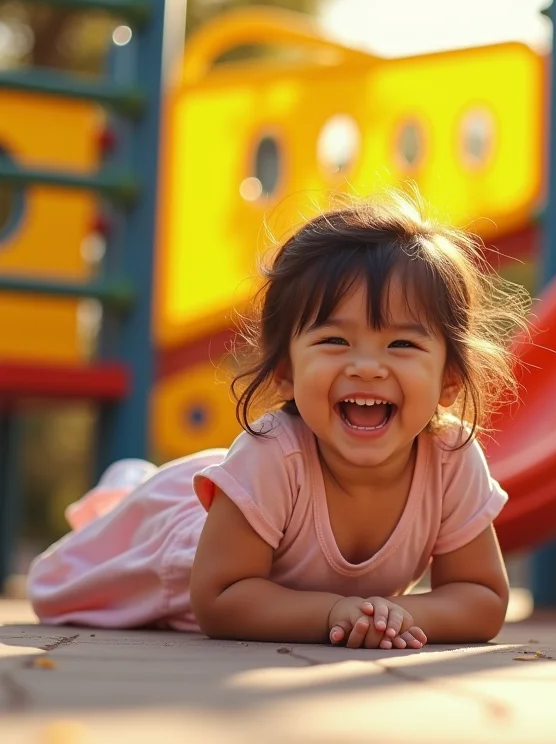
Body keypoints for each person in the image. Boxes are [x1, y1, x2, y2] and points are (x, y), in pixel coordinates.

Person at [27, 194, 530, 650]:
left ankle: (135, 487)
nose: (368, 367)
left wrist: (394, 617)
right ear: (286, 373)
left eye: (402, 344)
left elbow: (482, 597)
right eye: (335, 341)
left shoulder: (450, 456)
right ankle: (128, 494)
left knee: (180, 493)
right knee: (59, 584)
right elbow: (220, 598)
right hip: (181, 548)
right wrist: (334, 613)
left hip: (238, 499)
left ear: (449, 381)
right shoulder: (272, 454)